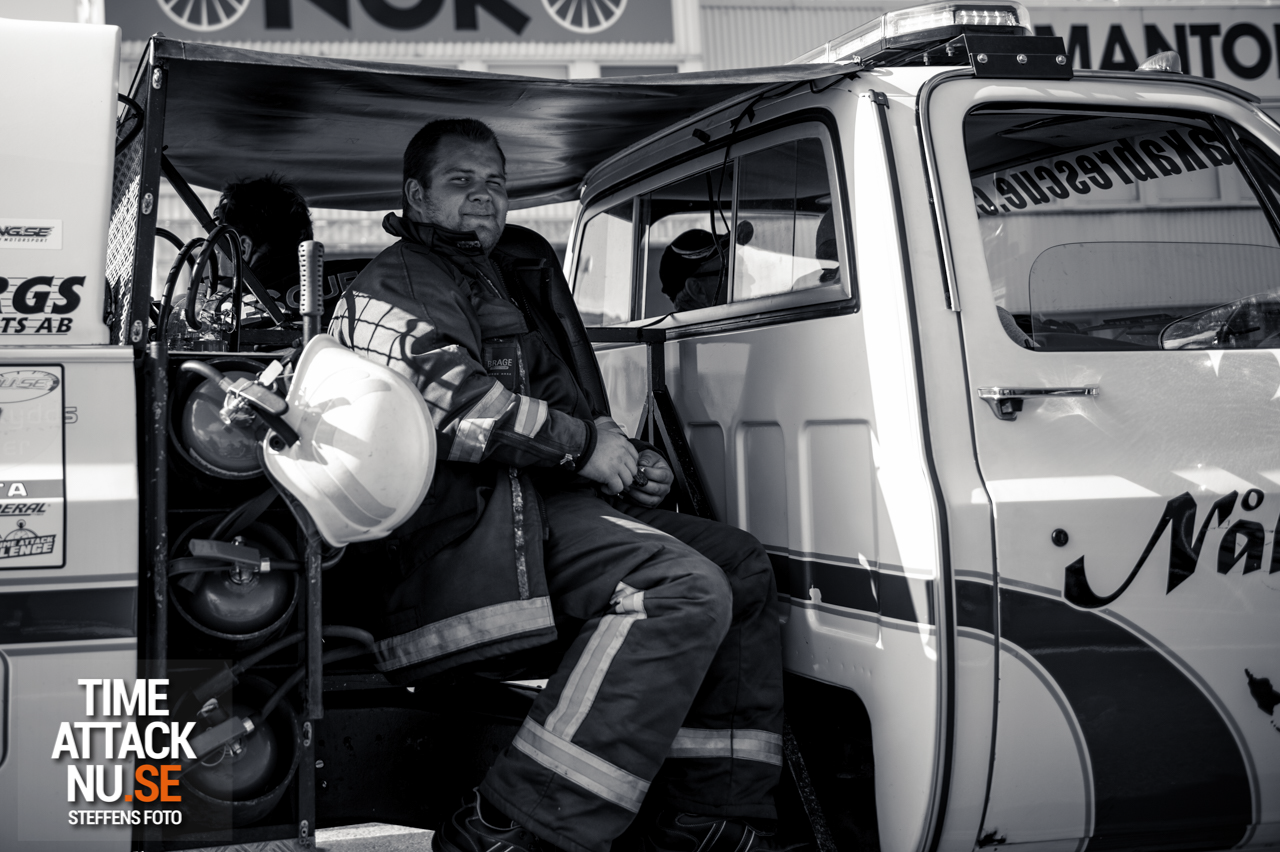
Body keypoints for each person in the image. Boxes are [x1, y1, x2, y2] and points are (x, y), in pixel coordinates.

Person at [328, 118, 786, 852]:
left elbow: (560, 406)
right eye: (460, 181)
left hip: (540, 509)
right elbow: (454, 407)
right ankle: (513, 826)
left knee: (740, 565)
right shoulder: (396, 285)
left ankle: (708, 815)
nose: (484, 195)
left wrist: (627, 460)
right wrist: (584, 450)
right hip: (468, 532)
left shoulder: (504, 275)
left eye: (495, 181)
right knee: (682, 587)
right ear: (415, 196)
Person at [213, 174, 314, 323]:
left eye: (218, 252)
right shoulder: (348, 288)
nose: (218, 267)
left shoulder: (224, 308)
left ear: (243, 249)